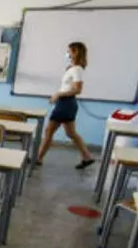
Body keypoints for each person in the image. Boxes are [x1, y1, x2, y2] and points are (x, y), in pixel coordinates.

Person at [36, 41, 95, 169]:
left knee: (48, 131)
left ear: (75, 52)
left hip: (66, 104)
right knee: (71, 133)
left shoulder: (77, 69)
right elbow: (67, 87)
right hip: (66, 103)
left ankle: (38, 158)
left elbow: (78, 90)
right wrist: (57, 96)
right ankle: (87, 157)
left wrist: (58, 95)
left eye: (69, 51)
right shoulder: (72, 68)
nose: (67, 54)